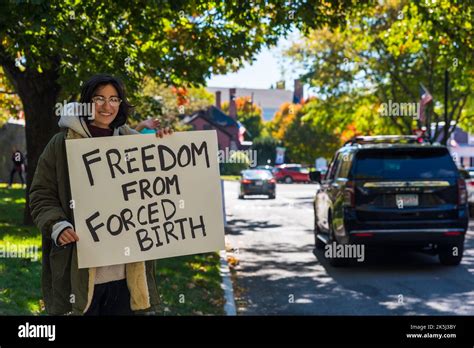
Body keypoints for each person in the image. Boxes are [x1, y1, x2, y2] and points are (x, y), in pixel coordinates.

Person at [29, 74, 172, 315]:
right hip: (80, 274)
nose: (107, 106)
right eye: (99, 99)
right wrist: (57, 225)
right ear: (87, 102)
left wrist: (166, 146)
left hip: (125, 274)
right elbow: (41, 194)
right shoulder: (61, 144)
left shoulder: (133, 143)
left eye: (114, 99)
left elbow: (161, 186)